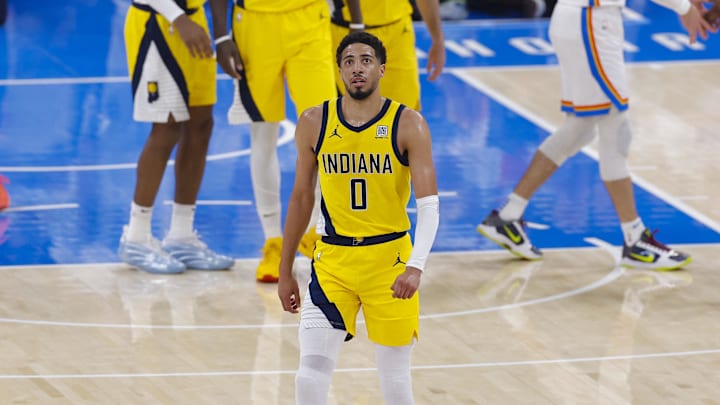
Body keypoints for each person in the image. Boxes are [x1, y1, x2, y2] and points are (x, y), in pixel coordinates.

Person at [476, 0, 713, 271]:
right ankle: (634, 238)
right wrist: (684, 7)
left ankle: (508, 215)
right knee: (616, 125)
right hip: (591, 20)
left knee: (580, 128)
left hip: (584, 19)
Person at [278, 32, 440, 405]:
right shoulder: (314, 121)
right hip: (333, 263)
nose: (357, 69)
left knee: (395, 381)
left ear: (382, 69)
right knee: (309, 376)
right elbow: (302, 197)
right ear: (339, 72)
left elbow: (428, 205)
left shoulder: (408, 124)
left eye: (365, 60)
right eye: (348, 62)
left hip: (390, 264)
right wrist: (286, 270)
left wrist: (415, 266)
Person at [213, 0, 337, 283]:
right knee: (262, 135)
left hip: (311, 18)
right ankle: (274, 244)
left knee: (325, 132)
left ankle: (318, 232)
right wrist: (221, 36)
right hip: (255, 24)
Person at [118, 0, 235, 274]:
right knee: (166, 127)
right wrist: (178, 18)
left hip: (194, 21)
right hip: (159, 23)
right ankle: (136, 235)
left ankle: (181, 235)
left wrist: (222, 35)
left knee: (201, 125)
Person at [330, 0, 446, 110]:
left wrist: (438, 40)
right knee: (355, 116)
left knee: (404, 114)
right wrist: (356, 25)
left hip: (398, 31)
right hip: (349, 30)